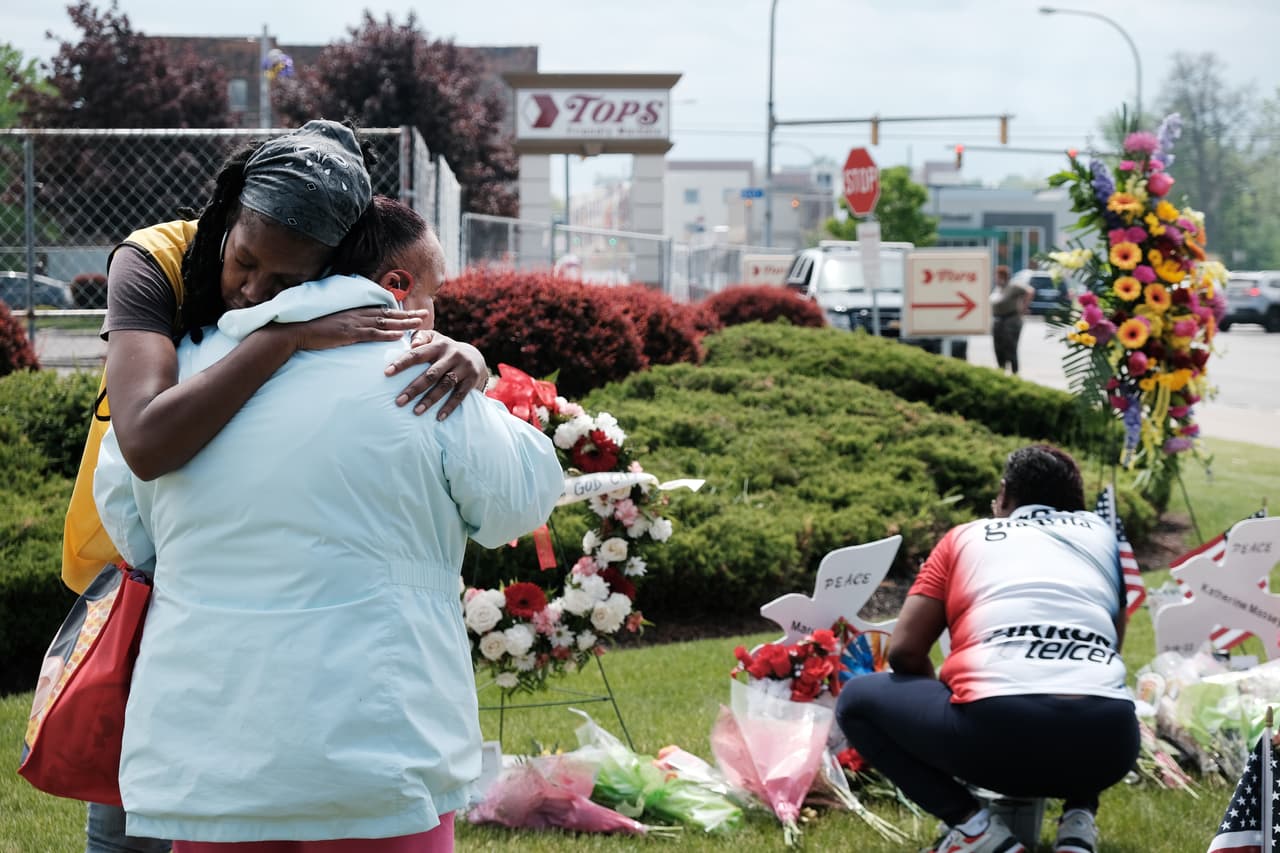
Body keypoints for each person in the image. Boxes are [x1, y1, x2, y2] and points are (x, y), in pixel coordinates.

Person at [92, 198, 566, 852]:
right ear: (395, 283)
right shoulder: (427, 372)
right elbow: (520, 501)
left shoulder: (184, 372)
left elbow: (126, 522)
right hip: (379, 749)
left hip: (211, 750)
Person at [834, 445, 1139, 853]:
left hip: (996, 739)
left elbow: (905, 651)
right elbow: (1111, 647)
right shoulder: (1102, 537)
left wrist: (940, 701)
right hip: (1109, 745)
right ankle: (1078, 826)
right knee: (1090, 679)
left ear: (1003, 495)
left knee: (856, 700)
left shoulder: (966, 537)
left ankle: (976, 830)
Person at [990, 265, 1032, 375]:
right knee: (998, 348)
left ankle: (1014, 373)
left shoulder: (1013, 286)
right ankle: (1001, 370)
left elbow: (1030, 291)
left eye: (998, 276)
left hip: (1011, 320)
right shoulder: (998, 288)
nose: (996, 278)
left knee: (1010, 348)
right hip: (998, 320)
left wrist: (1024, 307)